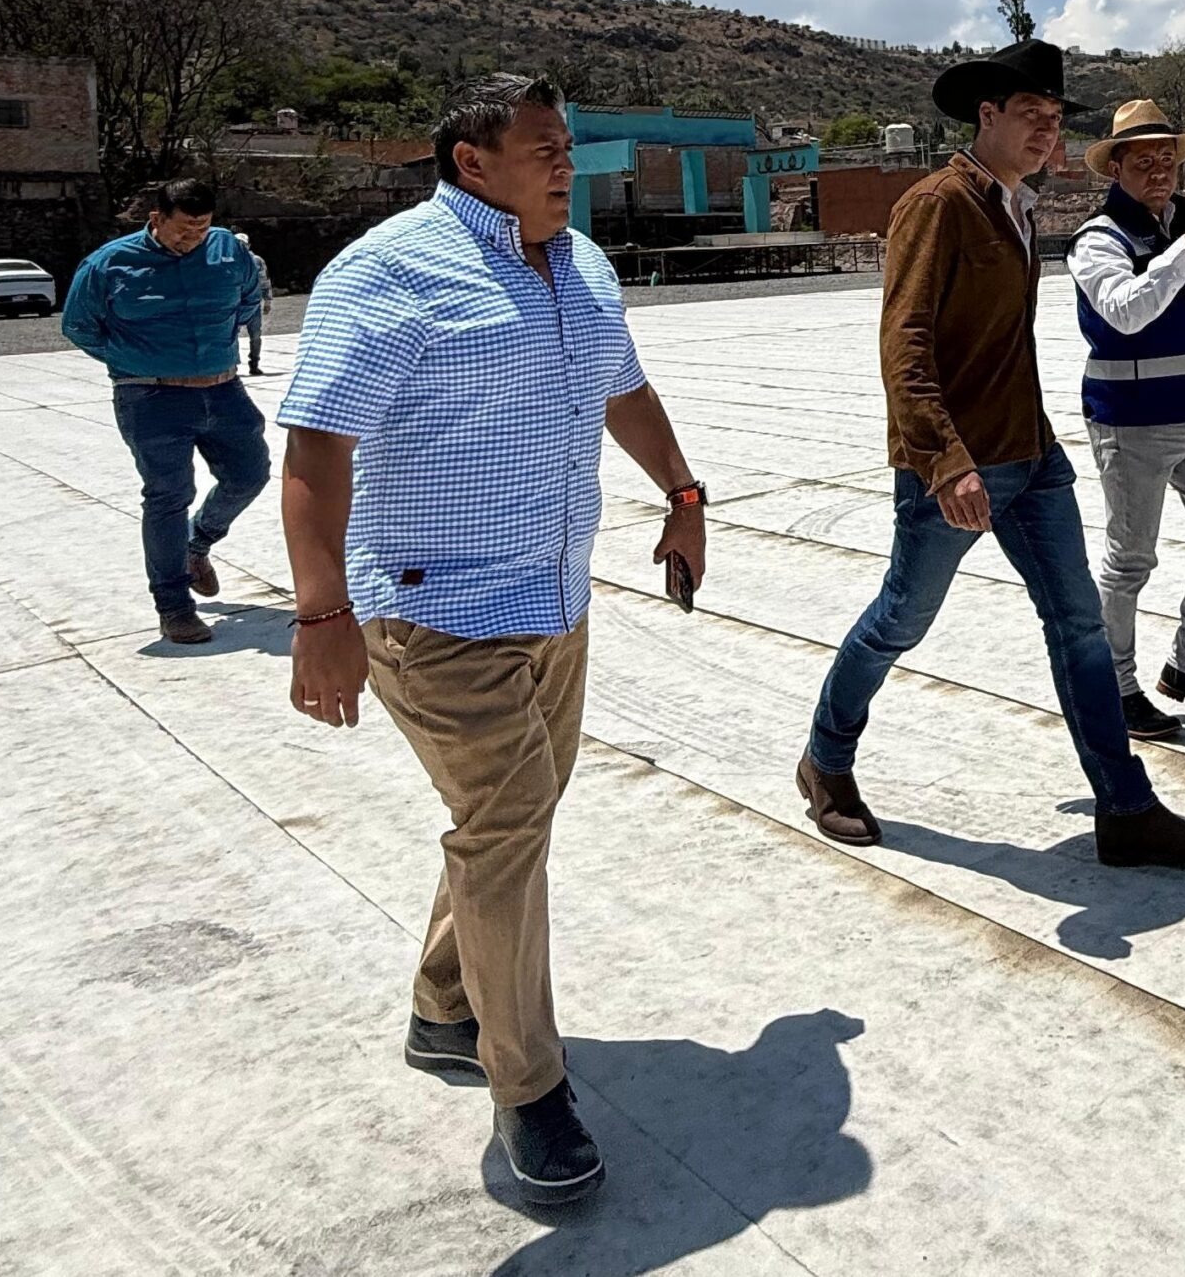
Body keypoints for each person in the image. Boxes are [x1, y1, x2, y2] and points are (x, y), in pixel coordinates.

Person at [276, 74, 708, 1206]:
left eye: (568, 146)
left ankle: (442, 1007)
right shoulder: (389, 272)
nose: (567, 165)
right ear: (472, 162)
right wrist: (320, 615)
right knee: (510, 826)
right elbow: (316, 448)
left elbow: (621, 386)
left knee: (506, 824)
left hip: (553, 602)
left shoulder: (583, 264)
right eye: (543, 148)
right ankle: (529, 1087)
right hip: (435, 613)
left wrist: (683, 492)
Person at [797, 40, 1185, 869]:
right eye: (1030, 114)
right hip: (959, 465)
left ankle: (1126, 809)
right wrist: (944, 460)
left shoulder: (1017, 206)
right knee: (901, 619)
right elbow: (905, 343)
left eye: (1055, 117)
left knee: (1079, 627)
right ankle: (825, 759)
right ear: (986, 115)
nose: (1046, 130)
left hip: (1031, 457)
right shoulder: (937, 204)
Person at [1067, 99, 1185, 742]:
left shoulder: (1174, 225)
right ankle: (1114, 688)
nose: (1159, 171)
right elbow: (1125, 312)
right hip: (1131, 422)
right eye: (1143, 161)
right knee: (1130, 562)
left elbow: (1184, 316)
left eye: (1167, 160)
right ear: (1115, 168)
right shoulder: (1098, 240)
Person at [61, 178, 269, 646]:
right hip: (151, 398)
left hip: (223, 389)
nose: (193, 239)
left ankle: (198, 543)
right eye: (183, 230)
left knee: (250, 474)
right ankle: (174, 607)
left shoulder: (227, 251)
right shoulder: (109, 264)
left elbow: (248, 300)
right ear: (156, 219)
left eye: (202, 229)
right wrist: (134, 360)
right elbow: (78, 326)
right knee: (168, 496)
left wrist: (215, 347)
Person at [233, 229, 273, 375]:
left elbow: (265, 280)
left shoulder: (257, 261)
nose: (241, 246)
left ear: (249, 245)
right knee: (232, 336)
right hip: (235, 305)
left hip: (254, 304)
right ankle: (233, 365)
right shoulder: (229, 260)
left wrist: (268, 300)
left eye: (244, 244)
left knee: (255, 335)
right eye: (238, 244)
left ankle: (254, 363)